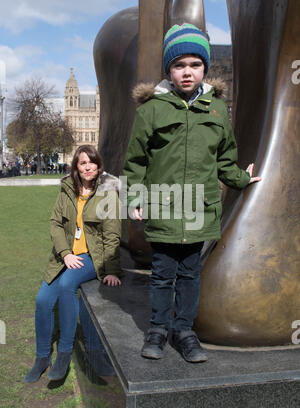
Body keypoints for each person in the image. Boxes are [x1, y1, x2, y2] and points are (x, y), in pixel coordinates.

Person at [122, 23, 261, 363]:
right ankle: (157, 329)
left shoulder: (215, 110)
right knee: (162, 273)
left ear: (204, 68)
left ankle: (184, 331)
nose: (187, 72)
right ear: (169, 69)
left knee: (189, 275)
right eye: (179, 65)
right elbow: (136, 161)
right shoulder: (152, 110)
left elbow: (225, 157)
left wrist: (241, 179)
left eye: (195, 65)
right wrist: (136, 199)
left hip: (199, 208)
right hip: (166, 206)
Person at [24, 144, 122, 382]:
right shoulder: (67, 190)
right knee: (43, 300)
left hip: (91, 256)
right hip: (65, 255)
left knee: (67, 284)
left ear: (98, 166)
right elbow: (55, 223)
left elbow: (112, 235)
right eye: (82, 163)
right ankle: (42, 357)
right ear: (76, 168)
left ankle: (65, 353)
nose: (87, 167)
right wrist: (66, 253)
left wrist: (112, 270)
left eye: (92, 162)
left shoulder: (108, 194)